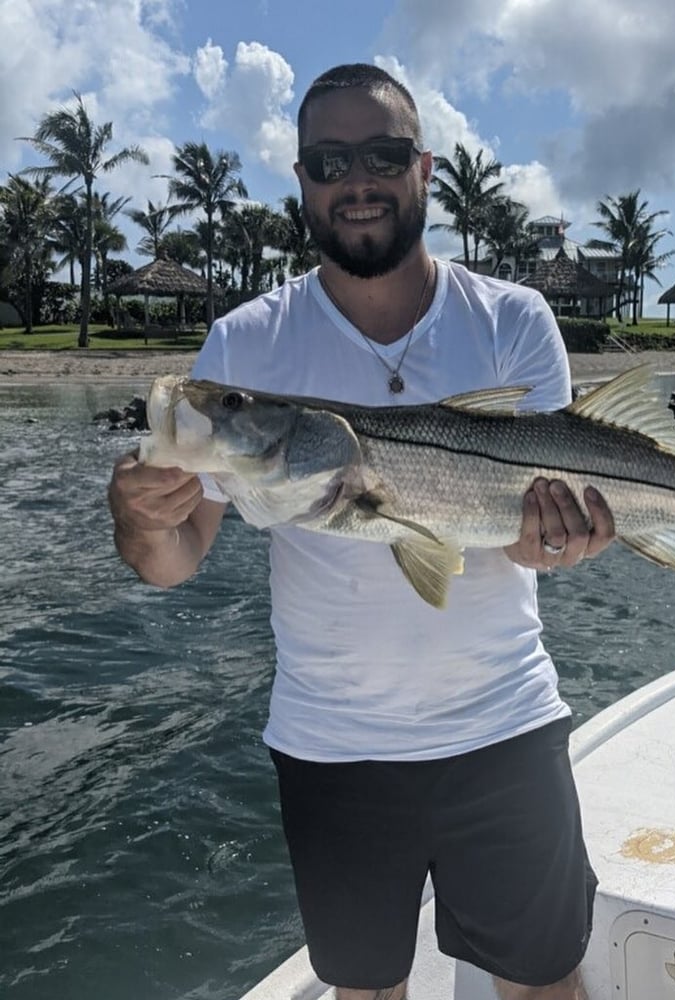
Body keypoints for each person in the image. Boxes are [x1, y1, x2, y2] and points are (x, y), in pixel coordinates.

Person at [108, 63, 615, 1000]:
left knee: (547, 983)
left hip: (504, 725)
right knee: (365, 990)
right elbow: (174, 562)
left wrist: (557, 540)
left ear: (424, 168)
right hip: (332, 742)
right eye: (330, 159)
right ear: (302, 179)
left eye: (382, 154)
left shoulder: (513, 319)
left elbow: (522, 539)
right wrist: (137, 519)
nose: (358, 179)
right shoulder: (247, 343)